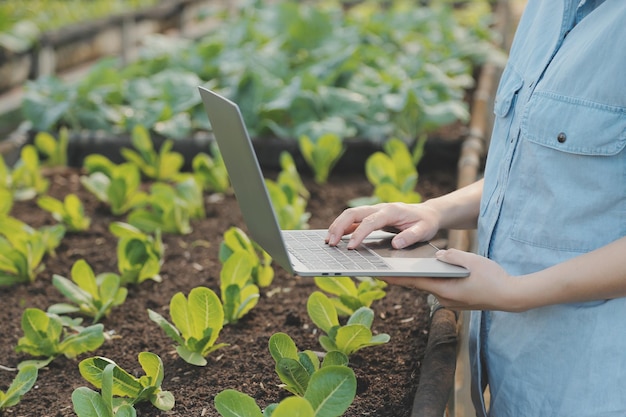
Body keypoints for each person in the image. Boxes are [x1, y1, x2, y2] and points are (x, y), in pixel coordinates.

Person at [325, 1, 626, 416]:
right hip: (517, 369)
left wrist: (514, 293)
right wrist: (436, 210)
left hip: (596, 384)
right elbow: (545, 171)